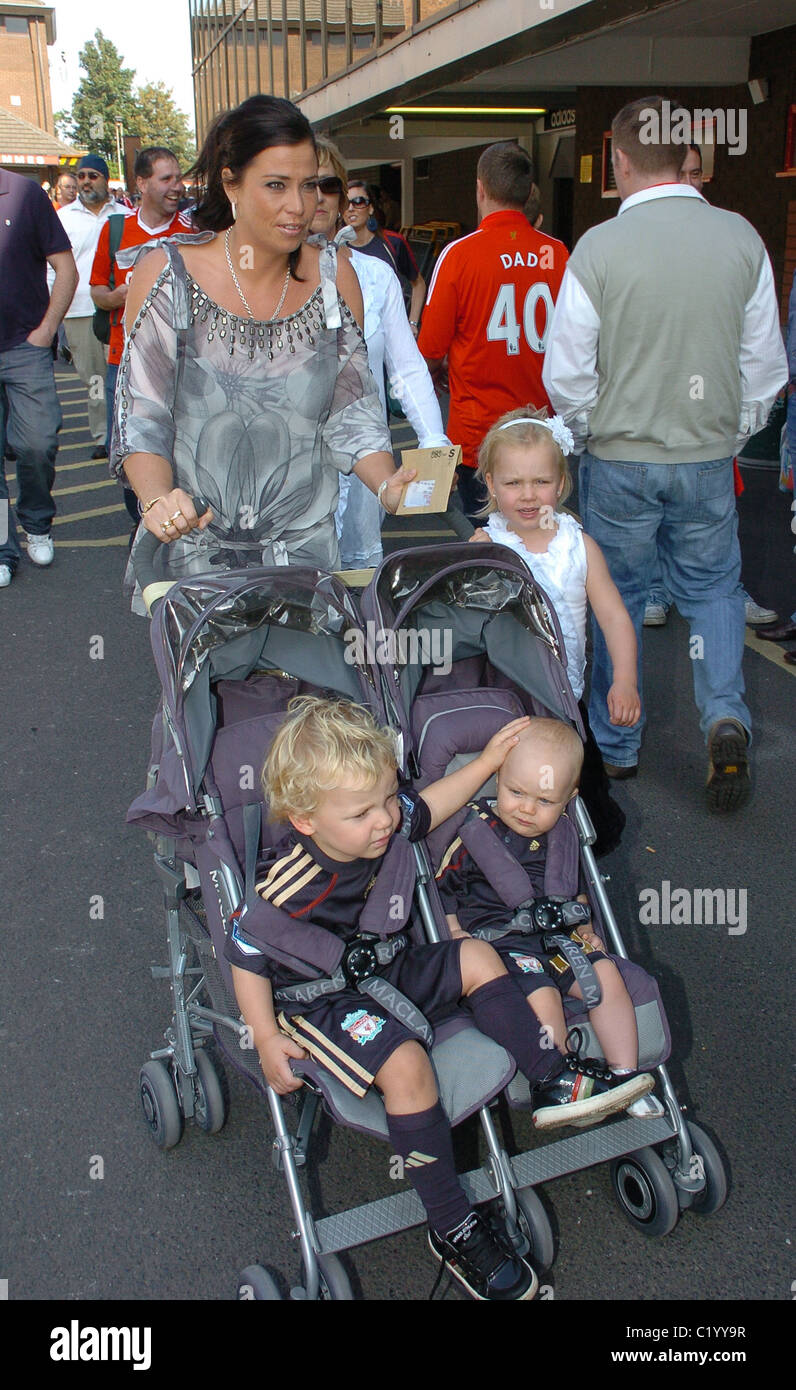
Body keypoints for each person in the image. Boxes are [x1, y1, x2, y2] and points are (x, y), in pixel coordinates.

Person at [225, 698, 626, 1299]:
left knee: (477, 958)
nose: (385, 821)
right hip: (317, 999)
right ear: (306, 821)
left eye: (387, 799)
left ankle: (550, 1076)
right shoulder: (293, 881)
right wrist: (263, 1033)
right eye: (363, 812)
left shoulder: (380, 819)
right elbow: (244, 945)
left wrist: (490, 760)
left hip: (386, 966)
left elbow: (432, 803)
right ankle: (453, 1224)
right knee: (407, 1064)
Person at [543, 95, 788, 811]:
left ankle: (618, 747)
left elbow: (567, 372)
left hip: (620, 456)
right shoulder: (741, 238)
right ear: (690, 153)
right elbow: (765, 366)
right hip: (708, 455)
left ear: (618, 161)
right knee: (713, 590)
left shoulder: (598, 248)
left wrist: (592, 431)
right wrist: (728, 430)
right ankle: (724, 715)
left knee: (614, 597)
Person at [111, 96, 415, 610]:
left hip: (305, 556)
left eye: (309, 184)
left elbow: (353, 410)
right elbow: (143, 416)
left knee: (311, 692)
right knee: (210, 692)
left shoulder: (333, 276)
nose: (299, 206)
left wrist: (388, 484)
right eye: (276, 185)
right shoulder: (167, 275)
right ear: (230, 183)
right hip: (196, 555)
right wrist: (158, 499)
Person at [436, 718, 655, 1128]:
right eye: (515, 792)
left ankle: (625, 1076)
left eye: (545, 801)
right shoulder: (474, 831)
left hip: (558, 940)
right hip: (504, 947)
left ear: (569, 799)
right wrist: (451, 928)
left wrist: (586, 924)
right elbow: (443, 886)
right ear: (497, 778)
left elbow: (574, 887)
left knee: (605, 974)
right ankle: (558, 1081)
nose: (527, 808)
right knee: (542, 996)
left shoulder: (564, 835)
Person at [471, 408, 638, 855]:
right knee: (506, 784)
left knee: (582, 786)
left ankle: (577, 861)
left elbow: (615, 617)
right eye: (512, 483)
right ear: (490, 483)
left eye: (540, 482)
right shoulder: (485, 548)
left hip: (566, 699)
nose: (528, 496)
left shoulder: (578, 546)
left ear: (561, 483)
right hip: (506, 696)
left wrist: (624, 680)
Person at [643, 143, 778, 631]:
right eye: (684, 173)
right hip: (652, 401)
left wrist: (742, 424)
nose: (692, 183)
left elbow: (758, 340)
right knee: (655, 501)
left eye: (698, 174)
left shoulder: (731, 237)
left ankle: (724, 589)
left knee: (718, 513)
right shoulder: (640, 240)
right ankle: (657, 587)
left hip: (711, 403)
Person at [311, 136, 449, 569]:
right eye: (294, 182)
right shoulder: (254, 279)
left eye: (328, 185)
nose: (315, 197)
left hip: (364, 465)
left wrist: (432, 442)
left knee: (355, 581)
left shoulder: (375, 276)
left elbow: (405, 369)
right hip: (289, 475)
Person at [418, 141, 568, 521]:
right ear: (528, 193)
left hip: (479, 437)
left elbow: (429, 351)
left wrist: (443, 375)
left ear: (480, 189)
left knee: (486, 551)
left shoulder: (459, 254)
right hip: (541, 433)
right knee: (540, 544)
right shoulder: (559, 254)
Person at [90, 146, 193, 524]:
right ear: (142, 183)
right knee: (133, 448)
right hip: (126, 361)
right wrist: (120, 296)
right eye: (166, 179)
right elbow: (97, 292)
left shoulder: (192, 233)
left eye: (178, 178)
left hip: (181, 364)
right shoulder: (115, 229)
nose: (176, 187)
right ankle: (144, 522)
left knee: (180, 449)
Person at [0, 167, 77, 587]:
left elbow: (65, 269)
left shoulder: (24, 193)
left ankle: (36, 521)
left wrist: (45, 333)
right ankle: (1, 548)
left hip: (23, 348)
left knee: (37, 443)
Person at [52, 154, 119, 458]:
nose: (86, 181)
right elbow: (51, 268)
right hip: (79, 308)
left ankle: (124, 433)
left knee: (122, 373)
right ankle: (102, 436)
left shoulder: (123, 215)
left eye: (93, 175)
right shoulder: (63, 218)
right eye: (81, 176)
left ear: (106, 179)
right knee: (93, 377)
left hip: (118, 306)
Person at [344, 179, 426, 331]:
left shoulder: (392, 242)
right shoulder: (336, 249)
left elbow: (418, 284)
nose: (350, 208)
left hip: (392, 331)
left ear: (371, 208)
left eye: (358, 201)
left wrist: (412, 323)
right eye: (345, 203)